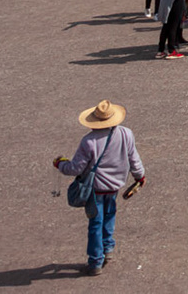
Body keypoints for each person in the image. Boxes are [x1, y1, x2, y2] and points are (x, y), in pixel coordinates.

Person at [53, 100, 145, 276]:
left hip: (95, 190)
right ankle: (108, 249)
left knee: (95, 222)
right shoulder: (126, 134)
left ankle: (95, 261)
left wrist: (60, 164)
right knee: (109, 216)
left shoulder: (89, 142)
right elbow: (134, 158)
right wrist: (140, 176)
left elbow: (76, 168)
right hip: (114, 187)